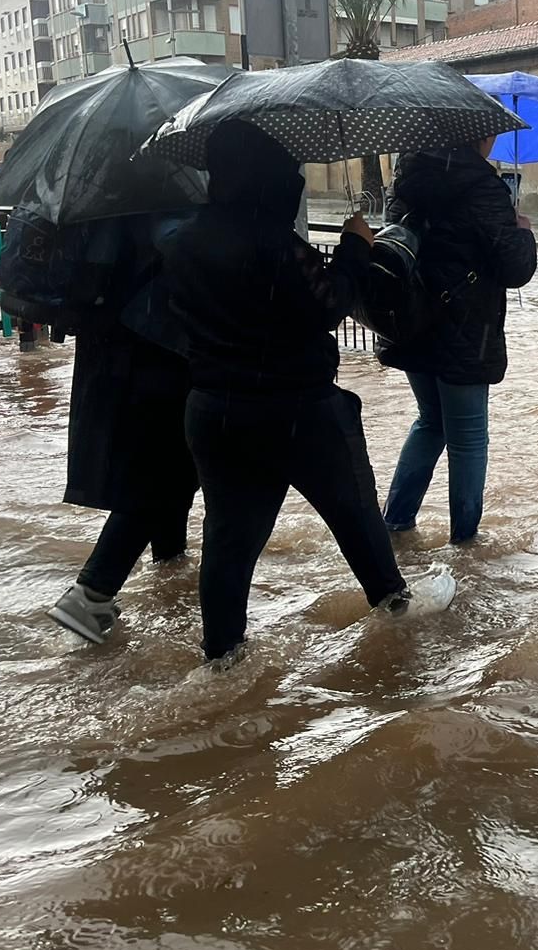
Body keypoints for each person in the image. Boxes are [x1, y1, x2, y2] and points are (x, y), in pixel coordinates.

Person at [157, 120, 421, 664]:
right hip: (298, 410)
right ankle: (401, 620)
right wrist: (354, 249)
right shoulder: (277, 245)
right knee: (355, 516)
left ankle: (222, 658)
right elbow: (328, 306)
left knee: (229, 542)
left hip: (215, 411)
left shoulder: (181, 243)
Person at [377, 138, 538, 544]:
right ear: (478, 136)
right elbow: (515, 268)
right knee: (468, 437)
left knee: (430, 420)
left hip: (412, 320)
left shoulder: (406, 178)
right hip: (465, 328)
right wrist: (523, 233)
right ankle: (465, 542)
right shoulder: (484, 186)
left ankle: (395, 521)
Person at [48, 214, 198, 645]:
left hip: (116, 346)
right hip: (154, 348)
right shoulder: (159, 205)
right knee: (164, 474)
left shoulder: (109, 201)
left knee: (168, 468)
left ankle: (170, 568)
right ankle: (91, 595)